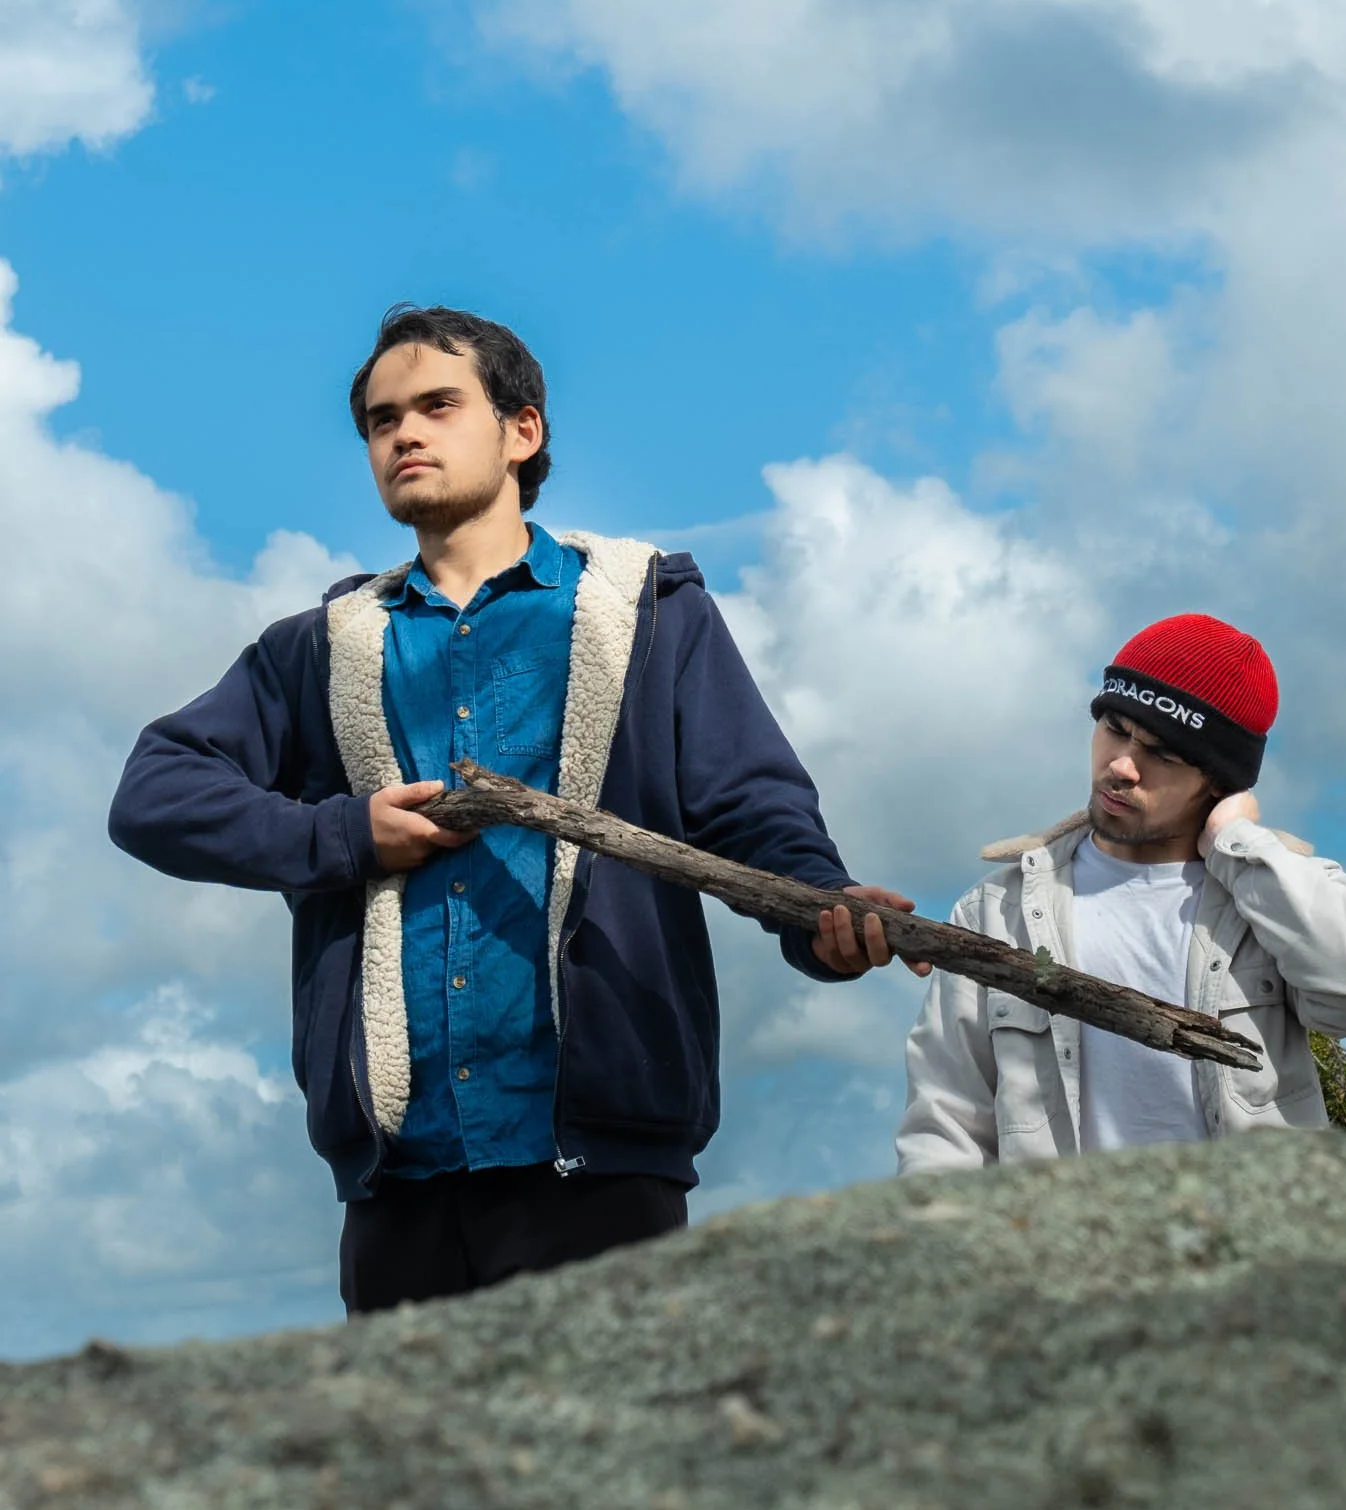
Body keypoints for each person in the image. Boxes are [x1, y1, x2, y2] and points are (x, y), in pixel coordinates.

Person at [110, 303, 915, 1312]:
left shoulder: (648, 612)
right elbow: (153, 793)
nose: (403, 432)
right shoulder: (319, 647)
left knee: (613, 1463)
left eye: (437, 405)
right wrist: (343, 834)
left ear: (520, 429)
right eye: (379, 418)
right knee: (406, 1470)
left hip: (601, 1154)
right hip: (399, 1171)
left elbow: (750, 804)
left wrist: (820, 911)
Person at [896, 612, 1346, 1169]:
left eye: (1163, 754)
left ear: (1218, 781)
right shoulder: (997, 911)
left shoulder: (1272, 894)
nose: (1122, 766)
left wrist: (1239, 843)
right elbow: (947, 1119)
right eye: (1115, 729)